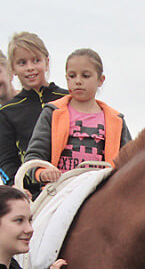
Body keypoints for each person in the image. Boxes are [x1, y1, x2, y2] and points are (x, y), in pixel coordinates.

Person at [23, 48, 131, 186]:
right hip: (60, 188)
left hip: (100, 190)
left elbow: (130, 160)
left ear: (100, 80)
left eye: (85, 76)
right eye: (72, 76)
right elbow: (34, 156)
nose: (78, 81)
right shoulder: (53, 112)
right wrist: (42, 172)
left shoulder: (115, 120)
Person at [0, 32, 68, 186]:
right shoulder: (7, 111)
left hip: (71, 181)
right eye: (22, 63)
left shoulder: (69, 98)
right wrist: (16, 188)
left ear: (46, 62)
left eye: (36, 60)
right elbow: (6, 161)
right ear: (12, 68)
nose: (30, 68)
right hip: (33, 191)